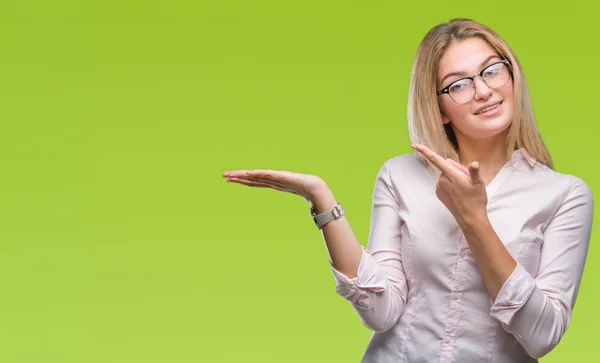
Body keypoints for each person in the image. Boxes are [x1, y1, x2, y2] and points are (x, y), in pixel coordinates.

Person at [221, 18, 594, 363]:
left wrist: (474, 218)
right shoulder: (400, 176)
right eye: (459, 84)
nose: (483, 90)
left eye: (492, 70)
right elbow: (381, 312)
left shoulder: (565, 195)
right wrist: (321, 200)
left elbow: (542, 335)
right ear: (440, 107)